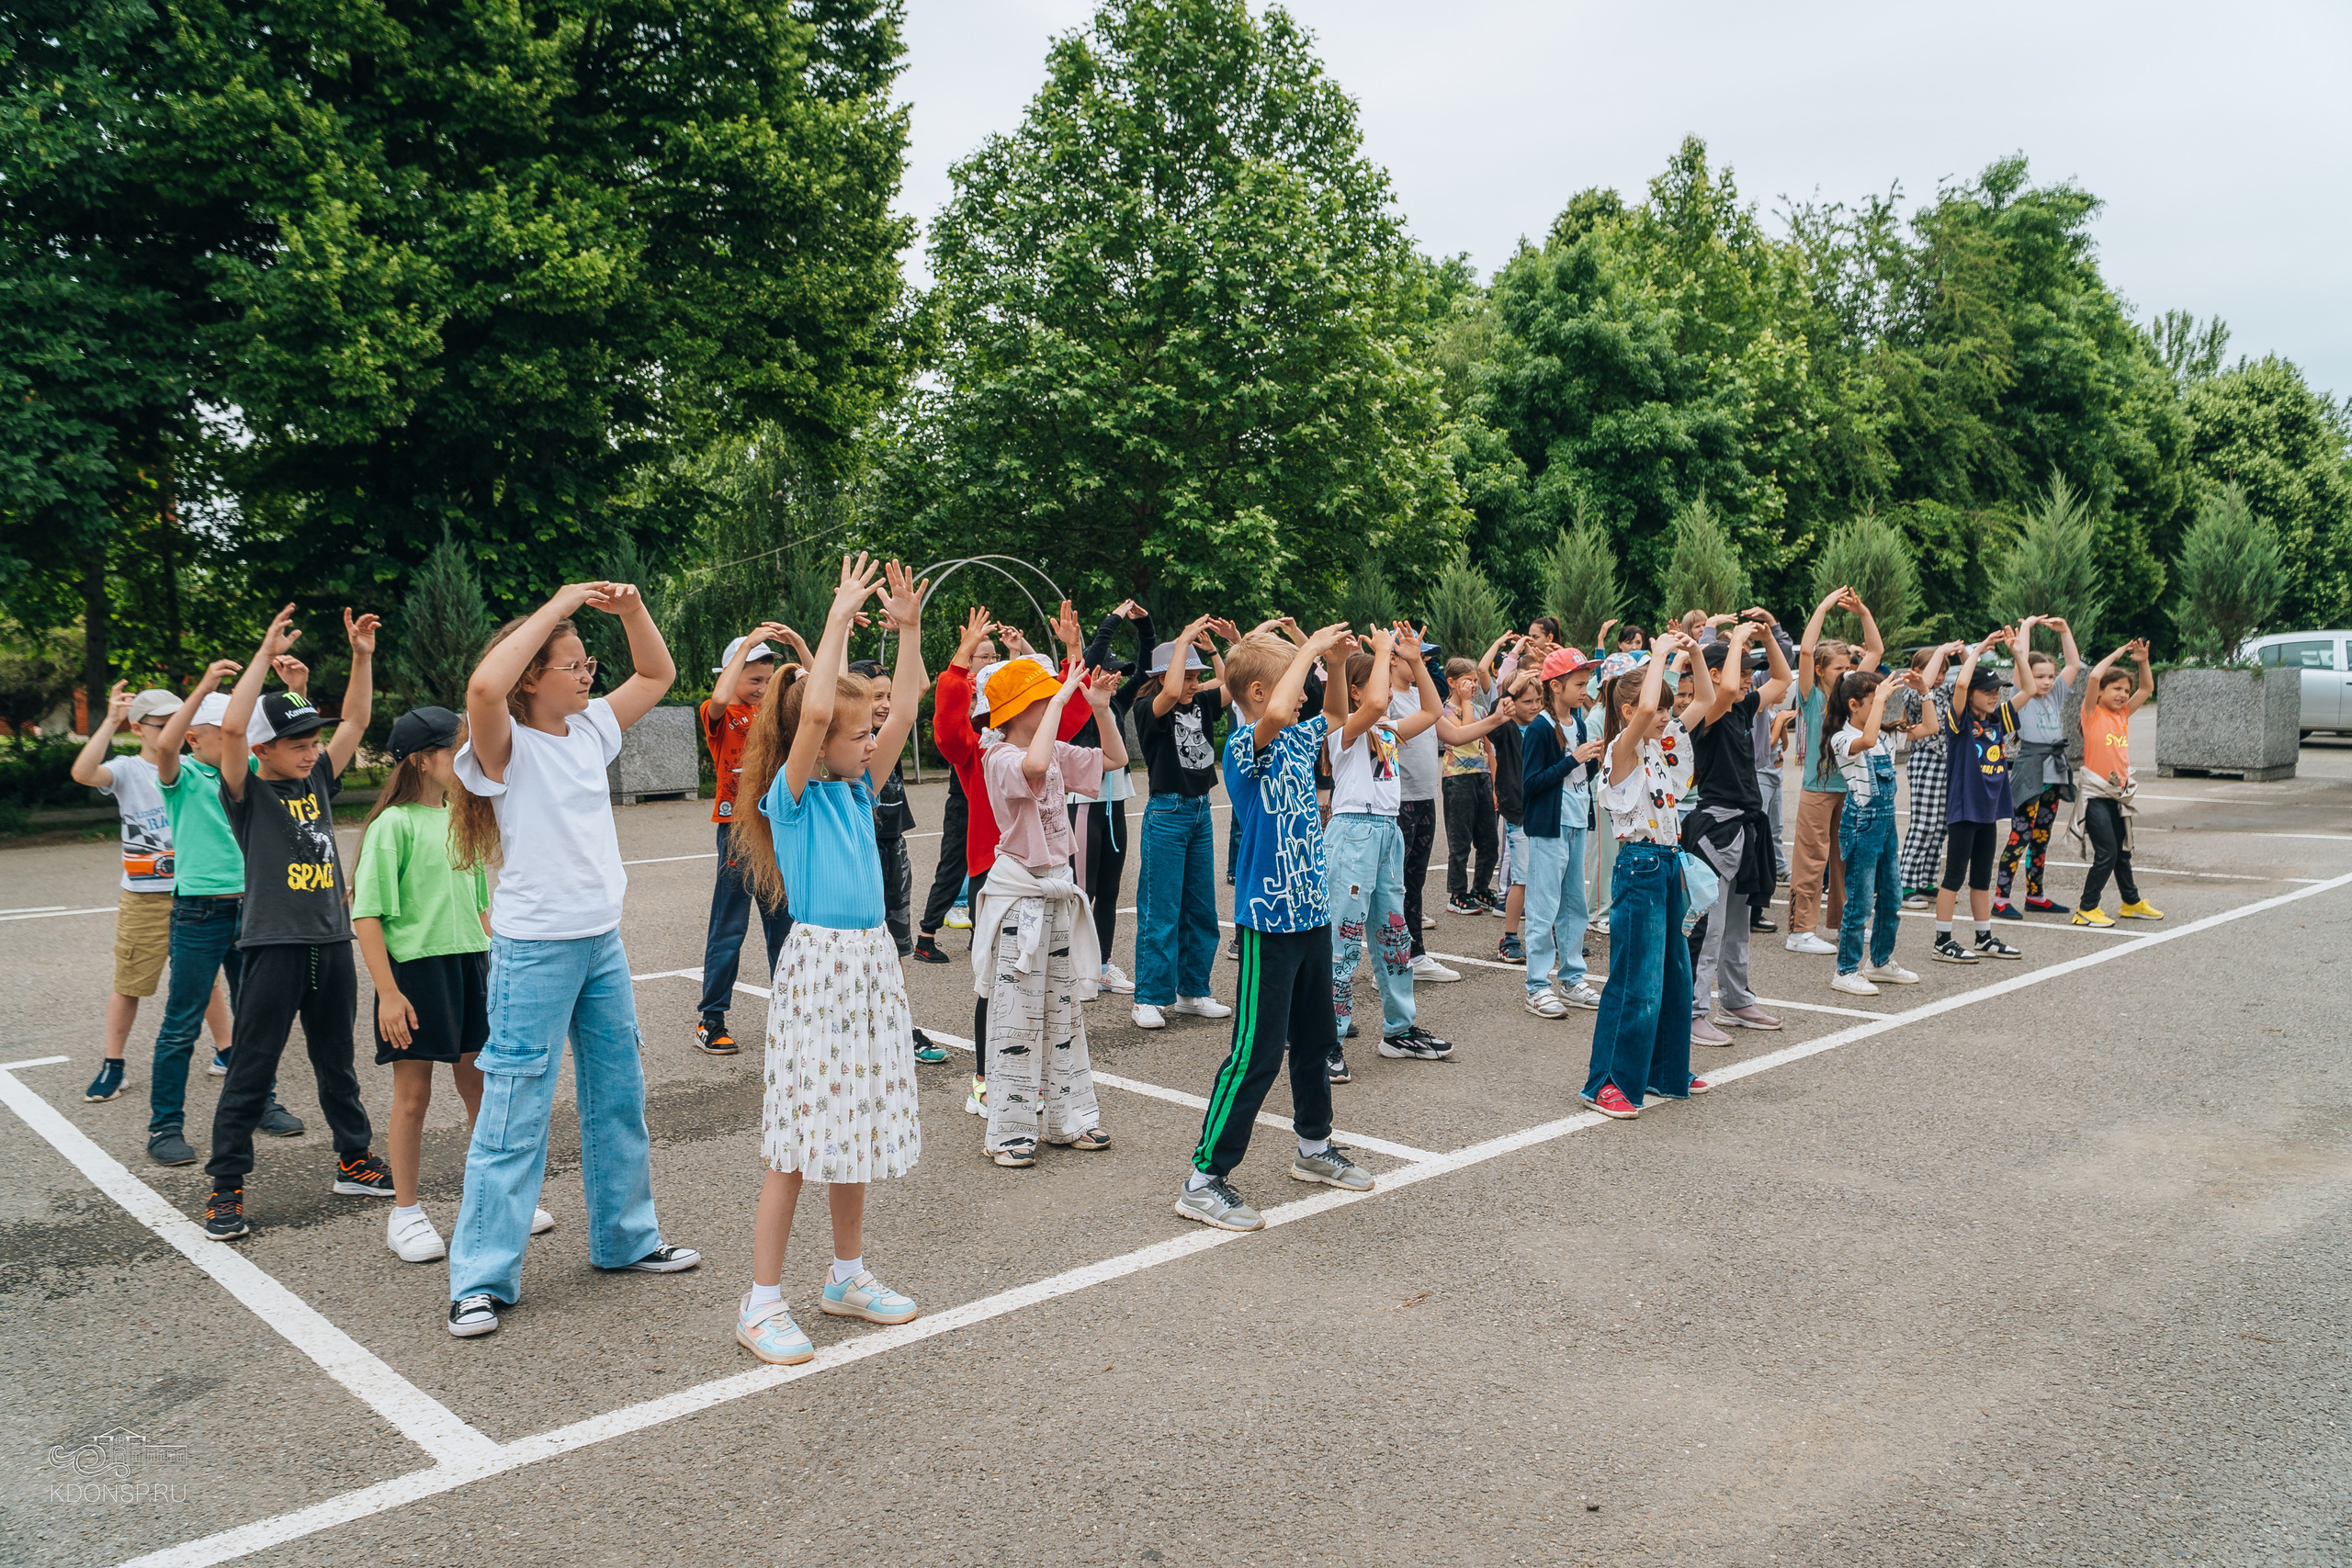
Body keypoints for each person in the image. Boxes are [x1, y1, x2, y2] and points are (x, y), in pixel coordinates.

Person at [444, 580, 700, 1338]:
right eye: (572, 663)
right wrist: (556, 605)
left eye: (590, 663)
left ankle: (625, 1239)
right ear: (533, 676)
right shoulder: (502, 741)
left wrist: (629, 613)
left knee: (617, 1096)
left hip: (601, 941)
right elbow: (485, 683)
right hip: (533, 949)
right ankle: (481, 1279)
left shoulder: (589, 728)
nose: (588, 674)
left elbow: (657, 676)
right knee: (515, 1109)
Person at [722, 556, 931, 1363]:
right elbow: (812, 720)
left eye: (868, 729)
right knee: (799, 1141)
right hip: (820, 973)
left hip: (870, 966)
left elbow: (904, 708)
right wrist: (837, 618)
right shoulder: (795, 795)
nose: (871, 738)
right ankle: (762, 1300)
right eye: (860, 731)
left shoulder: (857, 788)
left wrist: (908, 632)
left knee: (858, 1130)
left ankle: (845, 1276)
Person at [200, 605, 394, 1241]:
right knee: (253, 1068)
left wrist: (361, 655)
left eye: (315, 741)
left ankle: (353, 1157)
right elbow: (232, 728)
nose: (313, 751)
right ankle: (225, 1186)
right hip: (273, 945)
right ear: (263, 751)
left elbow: (359, 719)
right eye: (299, 743)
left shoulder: (315, 778)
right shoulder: (247, 793)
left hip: (330, 941)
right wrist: (262, 653)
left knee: (336, 1061)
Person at [1179, 624, 1371, 1232]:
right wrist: (1309, 649)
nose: (1304, 691)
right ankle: (1204, 1177)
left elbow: (1337, 713)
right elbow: (1286, 705)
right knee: (1256, 1052)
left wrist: (1335, 664)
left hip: (1311, 912)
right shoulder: (1243, 746)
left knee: (1315, 1042)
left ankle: (1314, 1146)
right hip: (1268, 921)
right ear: (1259, 693)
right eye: (1293, 676)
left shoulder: (1293, 736)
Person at [352, 706, 553, 1262]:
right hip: (415, 974)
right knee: (412, 1097)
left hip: (473, 966)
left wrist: (500, 963)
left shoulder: (463, 815)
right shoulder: (392, 826)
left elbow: (481, 904)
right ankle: (407, 1213)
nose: (465, 760)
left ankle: (497, 1198)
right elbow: (366, 915)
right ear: (421, 759)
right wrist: (388, 993)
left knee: (482, 1091)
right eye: (453, 750)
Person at [924, 612, 1092, 1116]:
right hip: (995, 869)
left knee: (1048, 985)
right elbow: (945, 725)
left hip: (1046, 872)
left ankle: (1041, 1083)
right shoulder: (977, 749)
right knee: (997, 984)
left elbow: (1074, 715)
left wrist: (1072, 653)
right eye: (986, 661)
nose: (990, 661)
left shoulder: (1038, 740)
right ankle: (984, 1076)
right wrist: (960, 664)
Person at [971, 646, 1127, 1167]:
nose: (1052, 706)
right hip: (1021, 901)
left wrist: (1101, 707)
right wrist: (1063, 695)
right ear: (1017, 709)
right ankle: (1010, 1132)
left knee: (1064, 1016)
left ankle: (1071, 1118)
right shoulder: (998, 757)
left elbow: (1115, 761)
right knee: (1015, 1019)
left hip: (1056, 894)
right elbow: (1033, 763)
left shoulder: (1054, 749)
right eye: (1040, 699)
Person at [145, 667, 288, 1166]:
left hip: (252, 907)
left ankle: (262, 1103)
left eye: (243, 734)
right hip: (199, 911)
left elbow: (288, 743)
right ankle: (165, 1126)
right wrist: (203, 689)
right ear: (193, 738)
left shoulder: (245, 771)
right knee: (181, 1023)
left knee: (256, 1017)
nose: (240, 741)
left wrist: (294, 688)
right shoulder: (180, 775)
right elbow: (163, 749)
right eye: (226, 733)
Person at [1579, 636, 1710, 1120]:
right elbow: (1650, 705)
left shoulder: (1659, 745)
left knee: (1675, 975)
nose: (1665, 716)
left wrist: (1694, 652)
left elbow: (1707, 701)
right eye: (1657, 710)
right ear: (1633, 708)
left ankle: (1664, 1070)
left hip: (1669, 863)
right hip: (1640, 868)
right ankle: (1607, 1082)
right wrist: (1657, 657)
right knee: (1635, 980)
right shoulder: (1624, 747)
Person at [1327, 626, 1468, 1068]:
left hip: (1387, 832)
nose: (1387, 695)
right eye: (1381, 683)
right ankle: (1326, 1037)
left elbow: (1430, 710)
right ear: (1356, 691)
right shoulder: (1342, 730)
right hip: (1353, 833)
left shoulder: (1385, 732)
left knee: (1393, 936)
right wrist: (1384, 650)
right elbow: (1371, 704)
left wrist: (1417, 661)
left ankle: (1399, 1030)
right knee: (1342, 939)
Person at [70, 683, 186, 1103]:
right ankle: (113, 1065)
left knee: (203, 980)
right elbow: (84, 773)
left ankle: (225, 1052)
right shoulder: (127, 770)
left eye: (181, 720)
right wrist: (108, 722)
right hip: (145, 894)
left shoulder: (190, 767)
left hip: (192, 888)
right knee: (130, 982)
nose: (176, 729)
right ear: (139, 728)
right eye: (165, 724)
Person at [1681, 614, 1793, 1046]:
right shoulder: (1709, 711)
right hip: (1715, 829)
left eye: (1749, 673)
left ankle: (1735, 998)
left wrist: (1766, 637)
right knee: (1708, 926)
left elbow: (1781, 680)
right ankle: (1693, 1011)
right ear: (1715, 673)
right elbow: (1727, 688)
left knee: (1738, 924)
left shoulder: (1743, 707)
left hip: (1745, 828)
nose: (1748, 680)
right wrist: (1735, 643)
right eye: (1744, 672)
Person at [693, 626, 804, 1055]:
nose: (761, 688)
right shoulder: (719, 713)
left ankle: (792, 1012)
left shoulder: (776, 715)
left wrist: (796, 647)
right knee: (730, 926)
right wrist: (746, 644)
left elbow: (821, 693)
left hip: (777, 827)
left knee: (784, 923)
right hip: (737, 832)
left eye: (766, 680)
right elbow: (720, 698)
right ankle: (712, 1019)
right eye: (753, 679)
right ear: (731, 672)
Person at [1130, 616, 1235, 1031]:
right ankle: (1148, 998)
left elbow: (1230, 687)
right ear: (1161, 676)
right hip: (1167, 813)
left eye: (1196, 676)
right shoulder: (1149, 708)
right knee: (1161, 908)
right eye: (1188, 676)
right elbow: (1171, 690)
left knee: (1202, 908)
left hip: (1199, 811)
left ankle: (1192, 992)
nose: (1193, 684)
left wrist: (1213, 651)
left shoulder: (1203, 703)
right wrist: (1183, 638)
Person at [1786, 588, 1883, 956]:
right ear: (1820, 671)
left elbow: (1875, 651)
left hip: (1852, 787)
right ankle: (1799, 931)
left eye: (1848, 667)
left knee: (1847, 859)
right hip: (1818, 787)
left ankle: (1844, 923)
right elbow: (1807, 650)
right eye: (1838, 669)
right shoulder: (1812, 693)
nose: (1846, 674)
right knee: (1811, 858)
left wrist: (1863, 612)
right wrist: (1824, 607)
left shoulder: (1852, 691)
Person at [1931, 626, 2032, 964]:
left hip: (1989, 811)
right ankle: (1942, 940)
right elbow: (1960, 683)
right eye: (1988, 690)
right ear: (1973, 692)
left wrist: (2017, 652)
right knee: (1955, 876)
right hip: (1964, 810)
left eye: (1997, 691)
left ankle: (1983, 936)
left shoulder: (1998, 720)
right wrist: (1978, 650)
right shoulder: (1958, 723)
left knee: (1981, 877)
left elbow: (2029, 688)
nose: (1994, 696)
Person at [1821, 671, 1922, 995]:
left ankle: (1879, 962)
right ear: (1854, 705)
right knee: (1860, 902)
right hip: (1862, 823)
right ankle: (1846, 969)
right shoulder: (1843, 738)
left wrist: (1925, 694)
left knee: (1892, 897)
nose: (1884, 707)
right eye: (1875, 702)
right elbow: (1864, 742)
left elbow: (1931, 728)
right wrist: (1880, 697)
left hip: (1886, 824)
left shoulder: (1885, 735)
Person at [1520, 645, 1606, 1018]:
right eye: (1578, 683)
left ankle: (1572, 979)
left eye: (1586, 683)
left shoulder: (1579, 723)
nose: (1584, 690)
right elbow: (1531, 783)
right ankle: (1537, 986)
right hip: (1548, 829)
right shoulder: (1539, 728)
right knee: (1543, 907)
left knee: (1574, 905)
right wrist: (1574, 759)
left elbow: (1577, 779)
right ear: (1555, 686)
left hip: (1574, 823)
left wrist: (1590, 763)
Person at [910, 629, 993, 967]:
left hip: (985, 800)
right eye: (982, 655)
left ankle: (979, 935)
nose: (990, 660)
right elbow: (949, 717)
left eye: (992, 655)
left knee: (985, 870)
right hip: (963, 799)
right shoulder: (967, 692)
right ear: (970, 659)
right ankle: (926, 936)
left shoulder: (992, 690)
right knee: (956, 867)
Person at [1994, 616, 2082, 919]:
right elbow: (2022, 665)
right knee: (2020, 835)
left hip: (2054, 768)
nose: (2045, 682)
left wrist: (2065, 631)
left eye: (2049, 676)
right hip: (2031, 766)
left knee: (2041, 836)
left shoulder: (2055, 695)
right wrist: (2027, 628)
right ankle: (2001, 899)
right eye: (2040, 676)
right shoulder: (2026, 695)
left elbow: (2073, 665)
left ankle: (2036, 895)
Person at [2071, 640, 2162, 927]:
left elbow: (2146, 689)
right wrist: (2118, 653)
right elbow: (2095, 676)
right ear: (2100, 694)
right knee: (2107, 852)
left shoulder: (2122, 714)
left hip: (2118, 795)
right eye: (2117, 689)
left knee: (2123, 852)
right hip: (2095, 795)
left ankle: (2131, 902)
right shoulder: (2091, 713)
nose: (2123, 695)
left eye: (2125, 690)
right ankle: (2086, 909)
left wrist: (2142, 661)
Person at [1392, 628, 1453, 981]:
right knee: (1393, 884)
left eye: (1425, 656)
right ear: (1394, 659)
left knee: (1413, 883)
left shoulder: (1419, 694)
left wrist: (1496, 719)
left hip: (1424, 797)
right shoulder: (1384, 698)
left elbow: (1453, 734)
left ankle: (1415, 955)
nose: (1424, 661)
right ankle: (1394, 958)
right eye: (1416, 655)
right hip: (1398, 802)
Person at [1441, 657, 1501, 917]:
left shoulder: (1479, 710)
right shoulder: (1444, 711)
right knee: (1460, 839)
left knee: (1489, 839)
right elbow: (1464, 733)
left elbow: (1488, 745)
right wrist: (1465, 701)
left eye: (1476, 681)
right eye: (1468, 681)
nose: (1474, 686)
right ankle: (1457, 893)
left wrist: (1495, 783)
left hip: (1482, 775)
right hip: (1458, 778)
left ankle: (1481, 888)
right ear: (1452, 682)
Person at [1490, 671, 1538, 963]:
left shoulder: (1544, 727)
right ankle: (1509, 938)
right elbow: (1497, 712)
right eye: (1527, 700)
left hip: (1544, 812)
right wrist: (1511, 690)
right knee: (1521, 878)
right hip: (1518, 813)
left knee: (1549, 878)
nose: (1534, 706)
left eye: (1537, 701)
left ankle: (1552, 933)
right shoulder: (1505, 729)